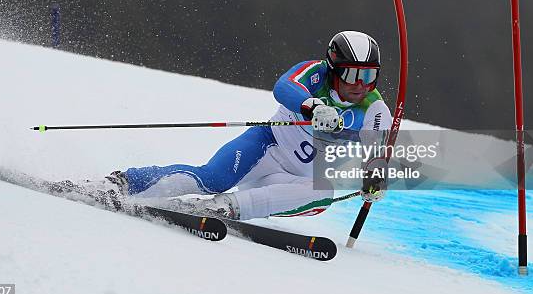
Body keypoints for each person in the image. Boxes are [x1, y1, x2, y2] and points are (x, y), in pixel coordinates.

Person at [99, 31, 392, 220]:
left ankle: (226, 208)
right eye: (352, 74)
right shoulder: (315, 73)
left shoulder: (375, 110)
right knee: (212, 178)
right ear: (333, 68)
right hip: (266, 148)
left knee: (322, 196)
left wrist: (375, 181)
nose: (359, 85)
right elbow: (284, 87)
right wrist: (312, 105)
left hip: (289, 181)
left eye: (368, 77)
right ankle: (123, 183)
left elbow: (377, 158)